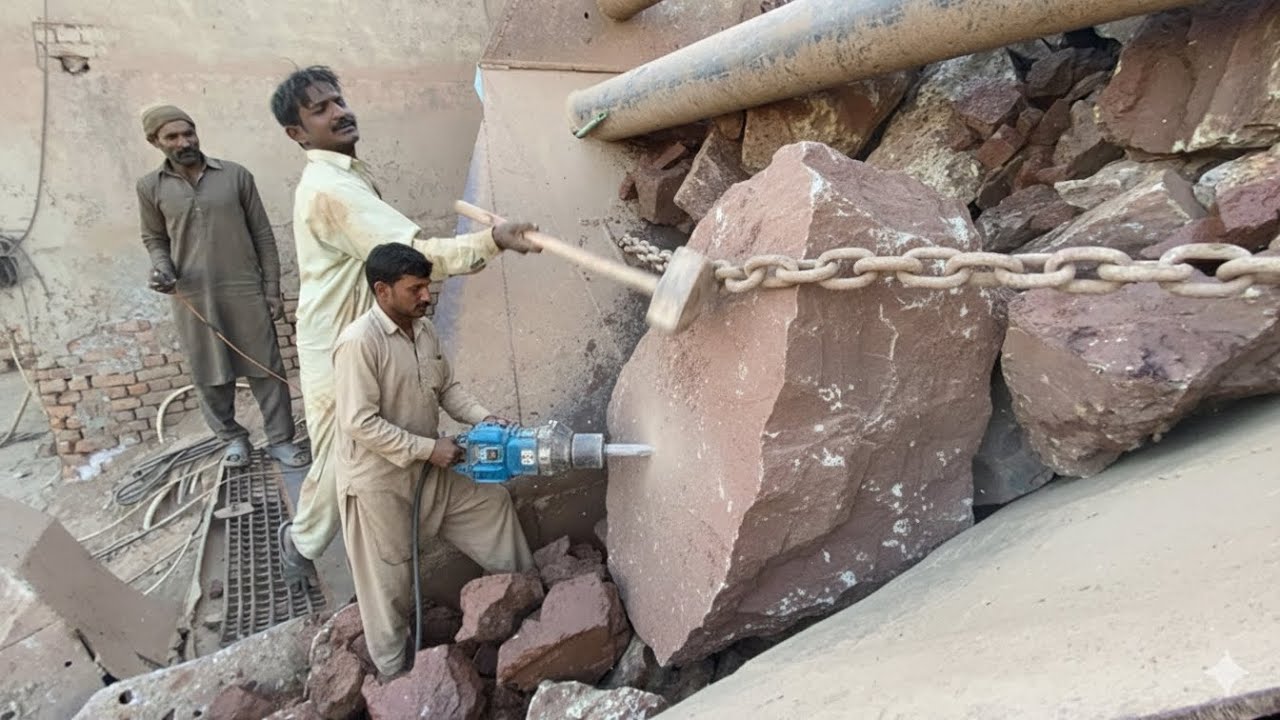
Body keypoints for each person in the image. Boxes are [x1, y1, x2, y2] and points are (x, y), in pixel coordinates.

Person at [267, 66, 539, 578]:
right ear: (297, 133)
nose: (339, 111)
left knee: (349, 448)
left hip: (361, 330)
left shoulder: (348, 175)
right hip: (337, 343)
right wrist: (492, 241)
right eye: (320, 109)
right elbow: (413, 258)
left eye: (338, 100)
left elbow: (447, 387)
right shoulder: (331, 189)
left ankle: (319, 538)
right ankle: (303, 548)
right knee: (338, 457)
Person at [334, 243, 533, 680]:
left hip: (429, 467)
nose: (426, 296)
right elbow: (358, 422)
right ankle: (397, 678)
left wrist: (486, 418)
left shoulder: (422, 330)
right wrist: (429, 449)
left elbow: (447, 389)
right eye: (415, 288)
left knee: (490, 504)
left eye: (427, 286)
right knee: (388, 583)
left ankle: (524, 603)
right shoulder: (359, 344)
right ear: (382, 291)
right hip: (379, 484)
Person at [137, 105, 308, 468]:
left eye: (189, 132)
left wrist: (272, 288)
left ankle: (280, 440)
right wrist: (163, 269)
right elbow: (154, 237)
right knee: (209, 373)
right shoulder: (150, 187)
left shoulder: (235, 176)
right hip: (193, 295)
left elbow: (263, 234)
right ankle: (232, 438)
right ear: (155, 142)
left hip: (245, 289)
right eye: (172, 137)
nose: (184, 141)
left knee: (266, 368)